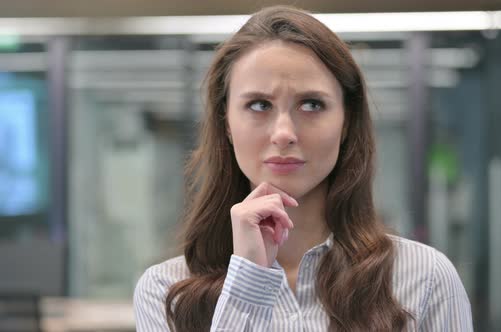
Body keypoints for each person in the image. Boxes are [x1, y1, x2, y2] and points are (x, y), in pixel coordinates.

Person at [133, 5, 473, 332]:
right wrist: (248, 279)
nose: (284, 133)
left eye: (311, 104)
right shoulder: (167, 292)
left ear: (345, 122)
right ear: (226, 124)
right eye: (258, 105)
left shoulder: (424, 279)